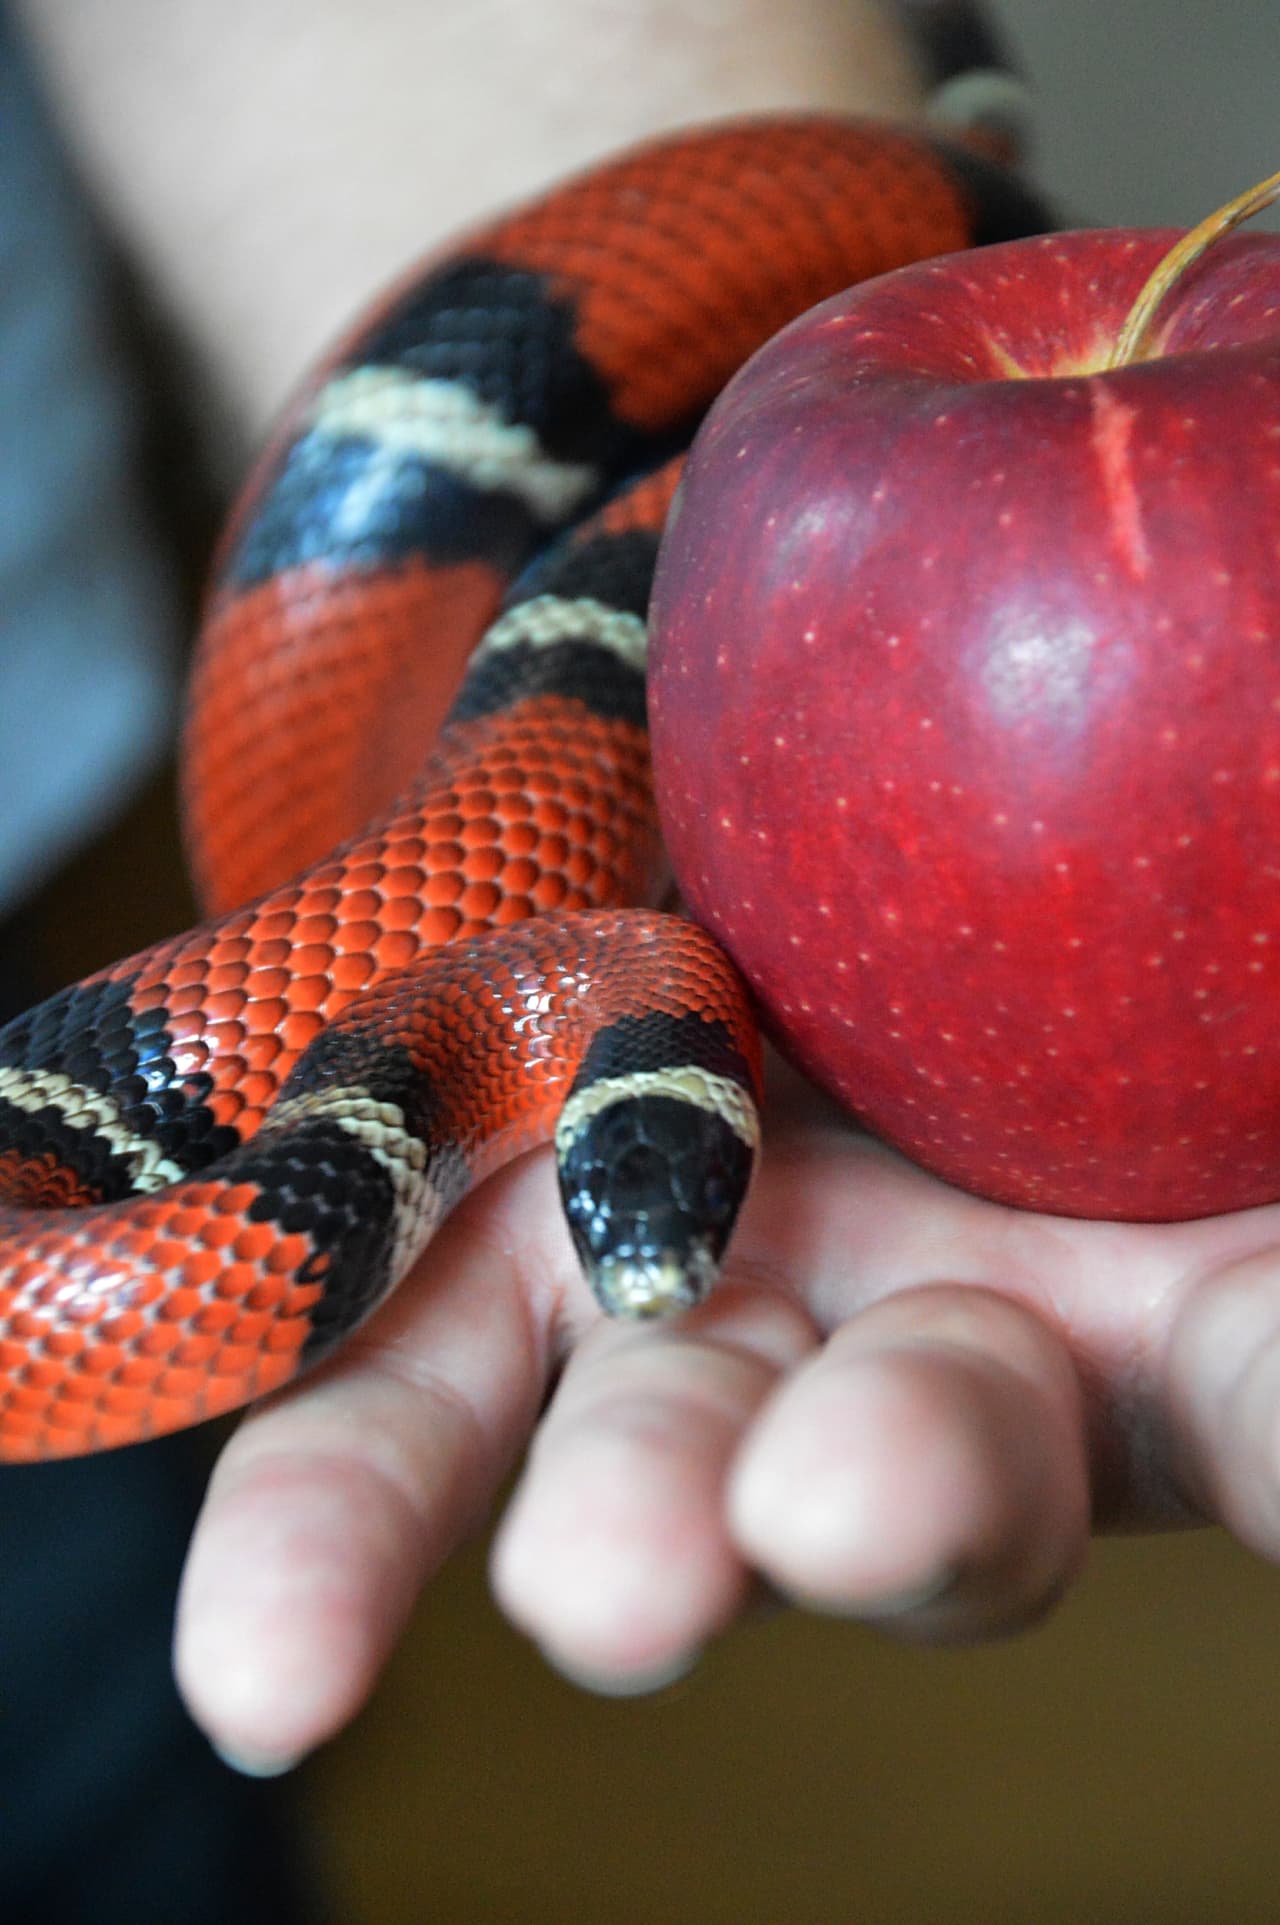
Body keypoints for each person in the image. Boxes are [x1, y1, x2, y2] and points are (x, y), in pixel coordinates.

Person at [8, 0, 1277, 1791]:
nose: (654, 1267)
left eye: (637, 1218)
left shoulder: (533, 984)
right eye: (638, 1215)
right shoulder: (514, 987)